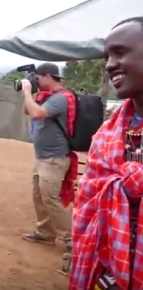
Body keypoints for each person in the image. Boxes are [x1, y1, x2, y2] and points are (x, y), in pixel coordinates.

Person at [70, 17, 143, 290]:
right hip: (106, 271)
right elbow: (87, 209)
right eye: (108, 55)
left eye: (121, 52)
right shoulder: (106, 135)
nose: (110, 64)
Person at [19, 63, 75, 260]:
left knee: (51, 199)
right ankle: (45, 233)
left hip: (55, 158)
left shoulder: (60, 98)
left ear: (49, 76)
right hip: (43, 157)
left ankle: (72, 240)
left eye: (39, 78)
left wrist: (27, 90)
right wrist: (30, 92)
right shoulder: (46, 97)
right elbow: (28, 110)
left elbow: (37, 114)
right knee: (38, 195)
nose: (37, 81)